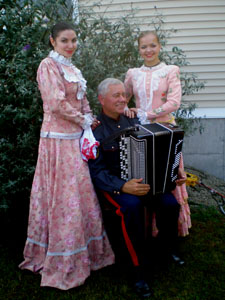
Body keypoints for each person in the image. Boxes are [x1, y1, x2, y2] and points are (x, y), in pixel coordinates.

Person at [19, 22, 114, 290]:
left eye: (73, 40)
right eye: (64, 41)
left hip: (74, 139)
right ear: (53, 41)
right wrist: (83, 120)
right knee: (64, 196)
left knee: (78, 194)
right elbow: (55, 103)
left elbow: (80, 100)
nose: (70, 45)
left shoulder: (72, 68)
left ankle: (85, 254)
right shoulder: (48, 66)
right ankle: (60, 258)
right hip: (57, 141)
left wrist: (89, 118)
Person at [88, 78, 186, 298]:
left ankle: (164, 249)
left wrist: (172, 173)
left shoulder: (134, 120)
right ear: (101, 99)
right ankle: (136, 270)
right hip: (115, 188)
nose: (123, 99)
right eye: (116, 95)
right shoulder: (94, 130)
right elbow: (97, 172)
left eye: (124, 94)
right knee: (131, 209)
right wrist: (123, 186)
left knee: (170, 204)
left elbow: (155, 150)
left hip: (143, 183)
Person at [124, 30, 191, 237]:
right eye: (144, 46)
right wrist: (127, 111)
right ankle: (146, 228)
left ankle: (170, 228)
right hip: (141, 132)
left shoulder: (170, 70)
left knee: (167, 177)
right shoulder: (132, 74)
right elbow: (122, 99)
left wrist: (148, 114)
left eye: (152, 45)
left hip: (166, 131)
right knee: (145, 176)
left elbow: (174, 102)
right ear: (139, 49)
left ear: (160, 46)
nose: (148, 50)